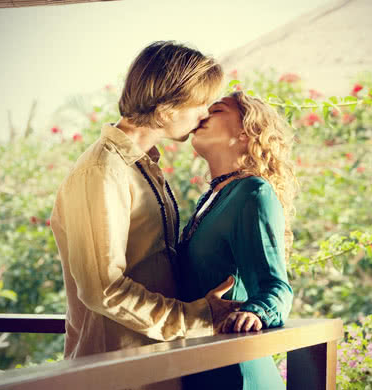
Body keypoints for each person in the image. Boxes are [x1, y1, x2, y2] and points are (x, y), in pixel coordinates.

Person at [50, 41, 240, 390]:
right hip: (115, 372)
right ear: (167, 109)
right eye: (200, 104)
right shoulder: (101, 172)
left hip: (154, 365)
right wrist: (198, 317)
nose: (205, 114)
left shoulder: (140, 165)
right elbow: (102, 290)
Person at [177, 91, 296, 390]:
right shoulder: (211, 199)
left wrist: (254, 312)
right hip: (200, 368)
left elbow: (276, 288)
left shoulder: (254, 192)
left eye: (216, 109)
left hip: (238, 374)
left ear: (245, 132)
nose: (202, 114)